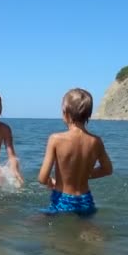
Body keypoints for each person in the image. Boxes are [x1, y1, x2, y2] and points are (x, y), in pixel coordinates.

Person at [38, 88, 112, 216]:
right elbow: (107, 170)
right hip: (86, 200)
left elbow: (42, 178)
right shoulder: (96, 141)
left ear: (65, 113)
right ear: (89, 115)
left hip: (63, 200)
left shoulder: (55, 139)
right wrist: (84, 174)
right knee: (84, 229)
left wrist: (51, 182)